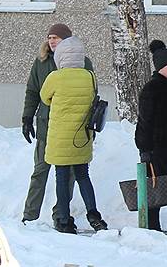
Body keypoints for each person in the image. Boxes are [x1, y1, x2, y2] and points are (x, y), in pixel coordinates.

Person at [21, 23, 93, 223]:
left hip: (71, 129)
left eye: (57, 38)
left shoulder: (83, 63)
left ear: (67, 41)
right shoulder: (41, 62)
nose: (52, 41)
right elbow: (33, 91)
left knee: (68, 176)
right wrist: (27, 117)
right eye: (50, 37)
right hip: (46, 127)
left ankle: (60, 214)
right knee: (40, 172)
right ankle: (29, 216)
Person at [39, 35, 107, 234]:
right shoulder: (89, 76)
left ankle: (63, 219)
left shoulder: (55, 77)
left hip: (60, 138)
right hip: (82, 137)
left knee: (61, 177)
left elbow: (45, 97)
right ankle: (94, 214)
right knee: (83, 175)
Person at [135, 40, 167, 232]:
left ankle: (155, 226)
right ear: (161, 66)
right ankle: (152, 226)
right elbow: (145, 121)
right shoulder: (152, 88)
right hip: (154, 147)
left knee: (161, 186)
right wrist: (145, 149)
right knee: (153, 187)